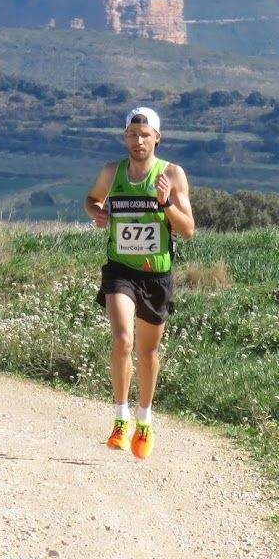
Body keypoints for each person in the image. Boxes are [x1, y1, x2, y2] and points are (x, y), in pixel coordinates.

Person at [84, 106, 194, 459]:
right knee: (122, 339)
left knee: (147, 352)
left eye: (145, 135)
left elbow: (188, 230)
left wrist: (164, 205)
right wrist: (97, 213)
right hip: (120, 269)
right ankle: (120, 419)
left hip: (156, 275)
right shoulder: (112, 171)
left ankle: (144, 421)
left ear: (157, 138)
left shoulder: (173, 175)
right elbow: (91, 199)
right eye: (132, 135)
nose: (138, 141)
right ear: (125, 138)